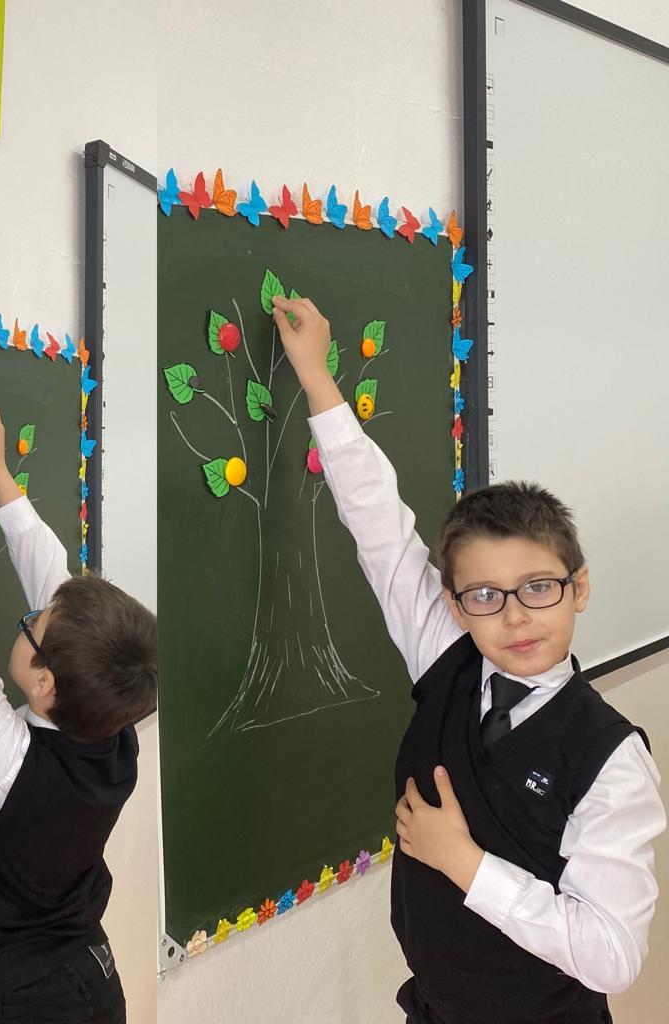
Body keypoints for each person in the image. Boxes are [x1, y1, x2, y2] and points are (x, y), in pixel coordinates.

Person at [271, 294, 664, 1024]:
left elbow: (612, 954)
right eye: (484, 595)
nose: (514, 616)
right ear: (454, 605)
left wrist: (463, 861)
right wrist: (317, 378)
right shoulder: (447, 656)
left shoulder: (609, 760)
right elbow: (379, 524)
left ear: (579, 587)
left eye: (538, 587)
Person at [0, 402, 157, 1024]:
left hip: (25, 1005)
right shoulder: (113, 728)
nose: (28, 617)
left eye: (31, 625)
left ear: (45, 682)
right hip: (89, 982)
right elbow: (60, 593)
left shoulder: (9, 765)